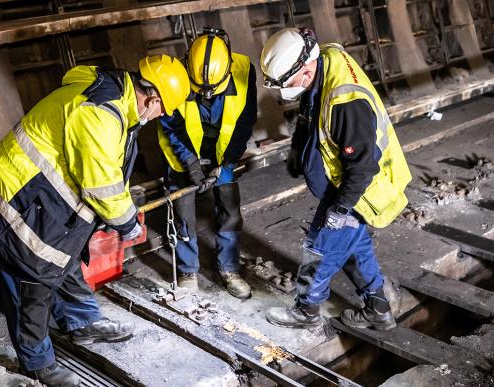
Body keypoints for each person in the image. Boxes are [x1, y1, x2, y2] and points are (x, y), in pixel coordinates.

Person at [0, 55, 190, 386]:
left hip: (37, 192)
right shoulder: (99, 113)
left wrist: (110, 214)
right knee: (32, 277)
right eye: (164, 109)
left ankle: (82, 323)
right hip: (13, 197)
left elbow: (105, 171)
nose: (161, 115)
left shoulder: (114, 99)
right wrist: (126, 222)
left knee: (62, 257)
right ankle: (37, 362)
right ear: (152, 98)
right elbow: (101, 184)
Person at [259, 28, 411, 330]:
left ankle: (306, 311)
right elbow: (311, 109)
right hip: (345, 181)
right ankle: (378, 309)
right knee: (356, 246)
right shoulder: (325, 61)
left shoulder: (346, 101)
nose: (283, 90)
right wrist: (297, 149)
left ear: (304, 69)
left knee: (319, 247)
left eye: (286, 83)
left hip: (361, 189)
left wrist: (340, 209)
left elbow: (363, 166)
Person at [158, 28, 257, 299]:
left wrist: (225, 165)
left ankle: (229, 268)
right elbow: (170, 124)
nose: (208, 95)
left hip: (221, 150)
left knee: (229, 210)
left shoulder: (243, 70)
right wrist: (190, 163)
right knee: (183, 212)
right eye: (202, 91)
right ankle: (189, 269)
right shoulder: (174, 75)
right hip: (183, 150)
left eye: (214, 91)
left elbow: (244, 123)